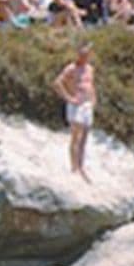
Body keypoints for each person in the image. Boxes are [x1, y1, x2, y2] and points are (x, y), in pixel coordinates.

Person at [54, 45, 97, 181]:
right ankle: (74, 167)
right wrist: (68, 97)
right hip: (76, 104)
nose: (84, 57)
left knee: (84, 137)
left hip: (87, 104)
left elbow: (91, 85)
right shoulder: (71, 68)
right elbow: (57, 83)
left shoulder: (89, 69)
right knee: (76, 137)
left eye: (86, 55)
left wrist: (93, 99)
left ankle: (81, 165)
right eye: (82, 55)